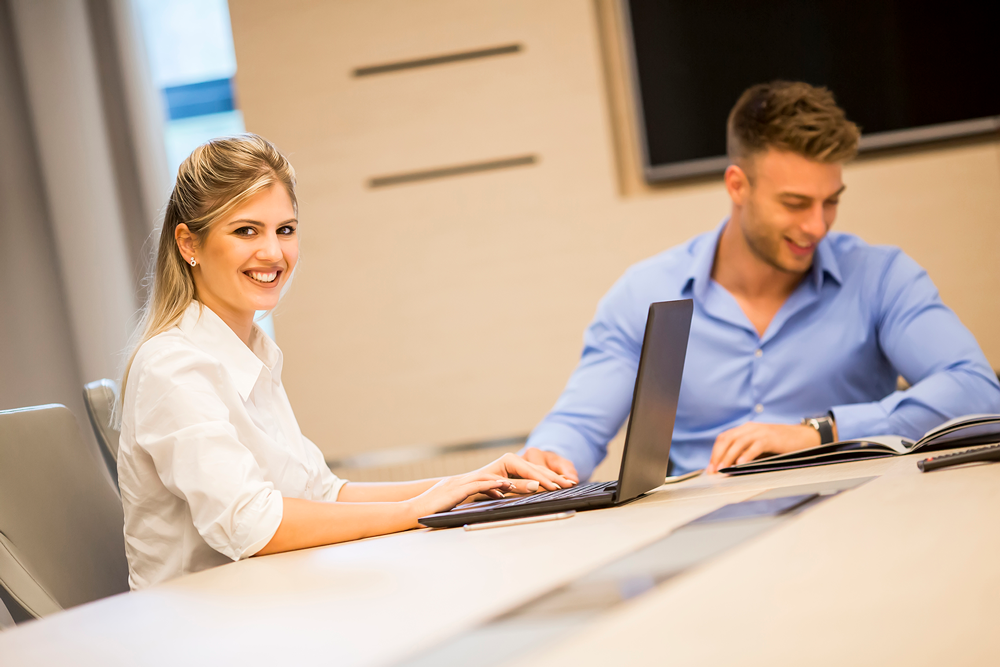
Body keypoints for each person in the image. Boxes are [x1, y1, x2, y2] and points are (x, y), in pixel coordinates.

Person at [117, 135, 574, 590]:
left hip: (266, 602)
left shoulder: (251, 351)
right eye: (245, 230)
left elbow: (322, 493)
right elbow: (251, 525)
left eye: (286, 230)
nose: (274, 253)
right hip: (201, 631)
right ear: (188, 243)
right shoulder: (172, 367)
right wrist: (416, 511)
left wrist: (464, 484)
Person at [521, 81, 1000, 482]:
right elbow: (578, 428)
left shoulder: (881, 277)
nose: (817, 225)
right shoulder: (645, 294)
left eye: (830, 200)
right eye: (794, 203)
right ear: (737, 186)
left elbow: (978, 392)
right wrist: (547, 462)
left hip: (859, 511)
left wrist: (822, 432)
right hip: (700, 530)